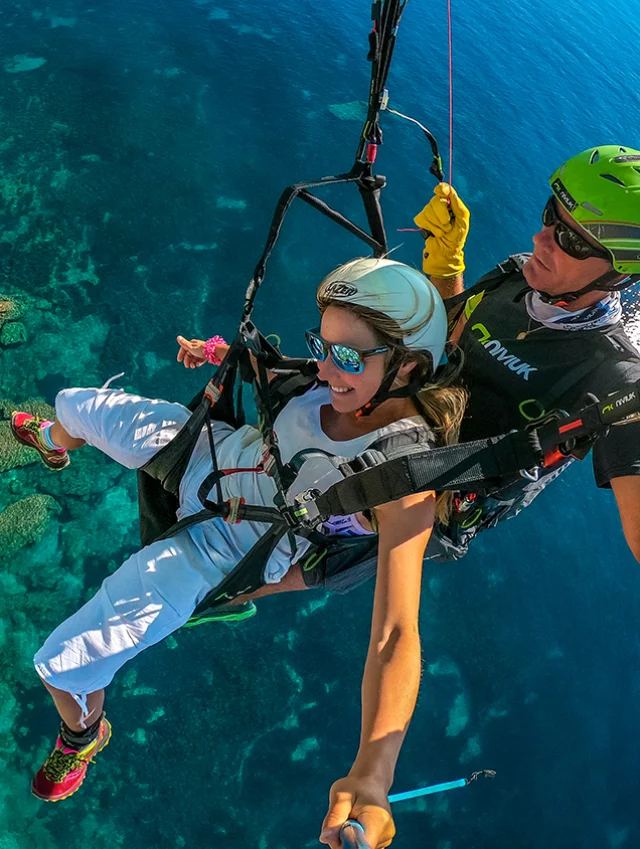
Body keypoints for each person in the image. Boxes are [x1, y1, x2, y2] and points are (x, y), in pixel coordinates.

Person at [13, 257, 465, 849]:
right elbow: (272, 370)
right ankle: (53, 443)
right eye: (321, 344)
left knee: (64, 664)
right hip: (212, 453)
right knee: (74, 404)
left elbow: (395, 634)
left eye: (348, 357)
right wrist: (219, 352)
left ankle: (83, 737)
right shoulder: (337, 376)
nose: (326, 367)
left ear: (408, 367)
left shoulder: (401, 481)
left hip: (221, 549)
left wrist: (372, 776)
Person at [259, 144, 640, 598]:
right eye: (551, 216)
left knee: (260, 575)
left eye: (572, 240)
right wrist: (446, 267)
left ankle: (237, 596)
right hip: (400, 424)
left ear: (620, 273)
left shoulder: (615, 378)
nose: (542, 240)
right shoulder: (514, 276)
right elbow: (446, 341)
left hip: (432, 497)